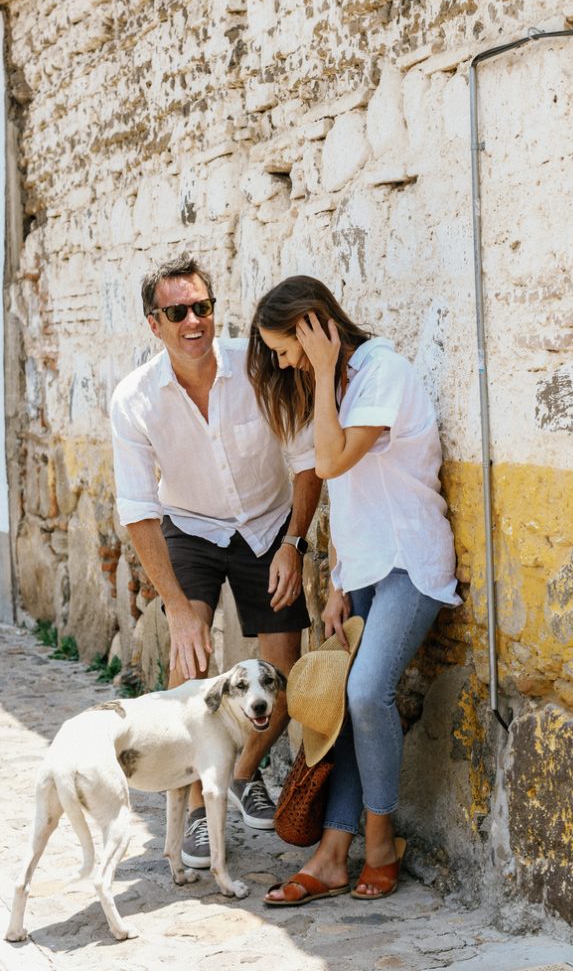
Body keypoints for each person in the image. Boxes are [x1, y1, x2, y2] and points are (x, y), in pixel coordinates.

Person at [247, 275, 460, 904]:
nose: (284, 363)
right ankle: (334, 855)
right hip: (362, 572)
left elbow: (333, 461)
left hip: (411, 566)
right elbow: (348, 494)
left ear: (315, 328)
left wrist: (319, 370)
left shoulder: (381, 373)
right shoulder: (337, 386)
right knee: (340, 708)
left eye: (288, 349)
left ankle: (380, 838)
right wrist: (337, 581)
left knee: (367, 693)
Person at [110, 254, 322, 870]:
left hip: (267, 526)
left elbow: (308, 461)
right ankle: (201, 816)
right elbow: (138, 508)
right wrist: (178, 609)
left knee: (285, 672)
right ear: (155, 324)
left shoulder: (258, 369)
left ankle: (238, 771)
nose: (194, 321)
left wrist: (294, 543)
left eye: (202, 307)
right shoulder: (135, 399)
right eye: (178, 312)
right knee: (190, 670)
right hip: (191, 529)